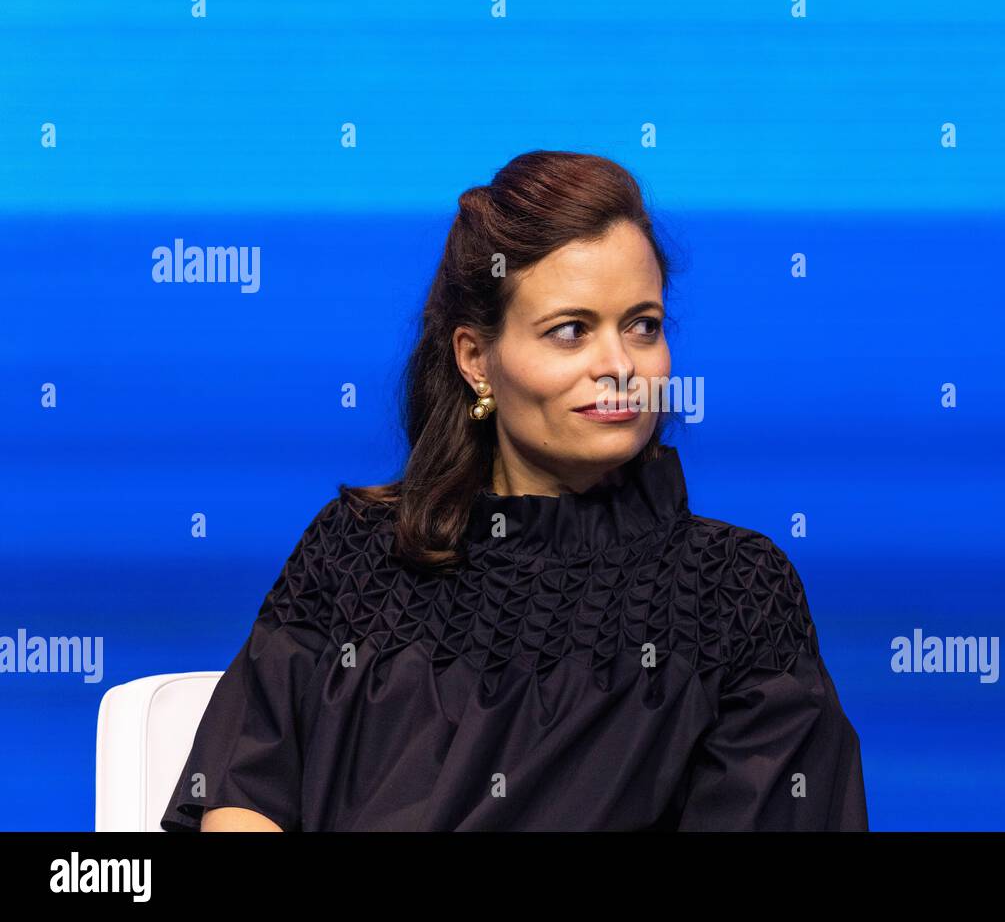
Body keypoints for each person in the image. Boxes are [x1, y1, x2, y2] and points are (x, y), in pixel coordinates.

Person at [160, 150, 869, 832]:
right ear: (477, 360)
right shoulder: (352, 551)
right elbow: (242, 793)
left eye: (642, 326)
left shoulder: (735, 590)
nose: (620, 366)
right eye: (571, 331)